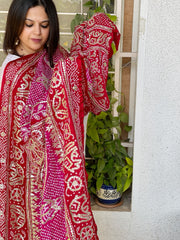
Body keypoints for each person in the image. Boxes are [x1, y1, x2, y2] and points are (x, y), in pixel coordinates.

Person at [0, 0, 120, 239]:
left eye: (44, 25)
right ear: (15, 25)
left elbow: (79, 103)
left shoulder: (59, 59)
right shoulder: (10, 68)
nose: (37, 32)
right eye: (29, 24)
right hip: (21, 170)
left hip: (56, 165)